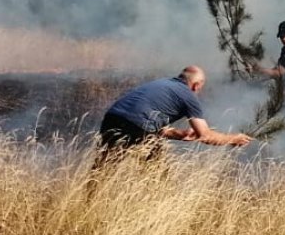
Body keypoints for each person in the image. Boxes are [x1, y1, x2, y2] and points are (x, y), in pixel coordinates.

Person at [94, 66, 251, 165]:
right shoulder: (188, 95)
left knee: (102, 168)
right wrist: (233, 139)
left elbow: (142, 117)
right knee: (157, 176)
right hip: (138, 126)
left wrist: (176, 133)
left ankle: (90, 203)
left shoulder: (162, 83)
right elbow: (205, 135)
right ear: (196, 85)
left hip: (112, 118)